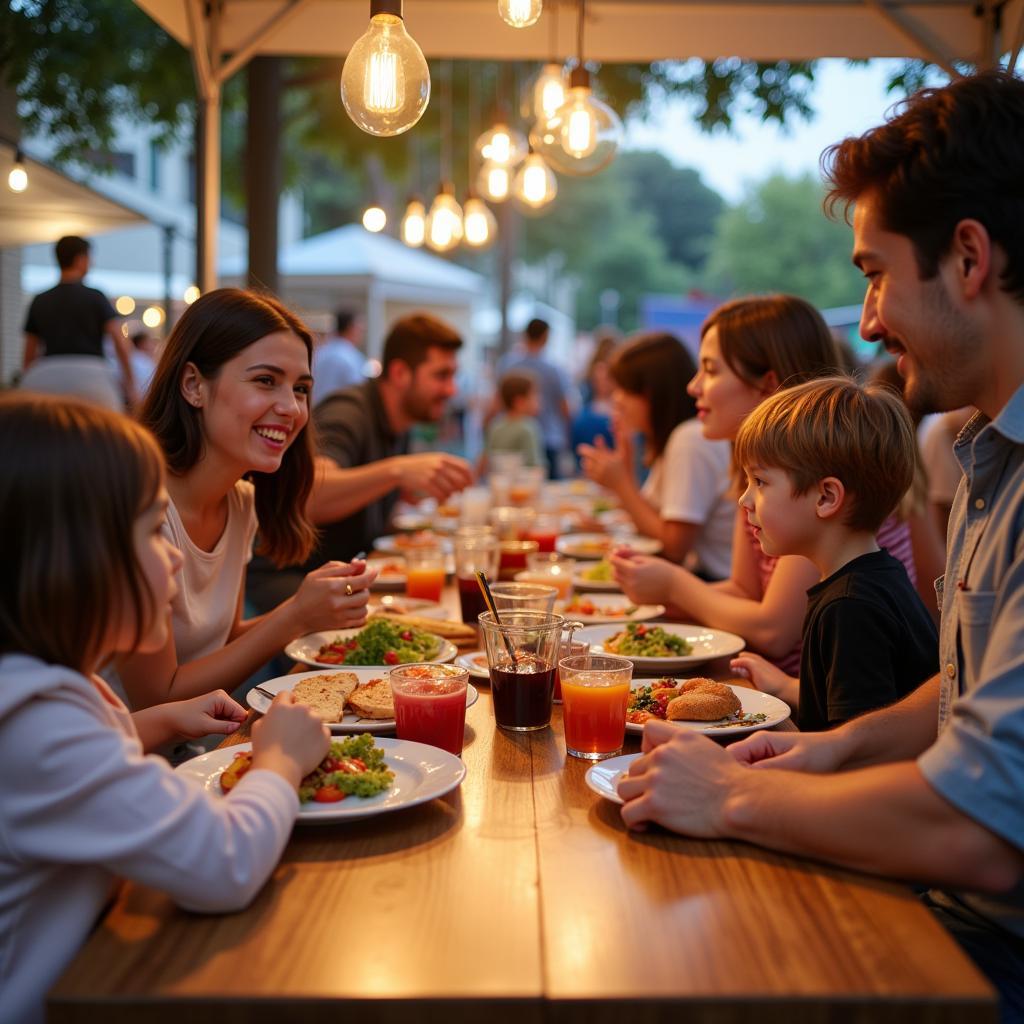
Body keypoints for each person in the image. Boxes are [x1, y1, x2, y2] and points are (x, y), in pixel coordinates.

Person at [616, 71, 1024, 1019]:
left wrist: (730, 799)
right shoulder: (983, 455)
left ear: (969, 257)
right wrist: (831, 752)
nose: (870, 320)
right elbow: (968, 692)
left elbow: (982, 830)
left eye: (874, 272)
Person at [0, 392, 331, 1024]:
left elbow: (73, 764)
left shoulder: (41, 689)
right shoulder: (37, 724)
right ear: (73, 557)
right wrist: (282, 761)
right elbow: (225, 864)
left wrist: (150, 723)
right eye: (153, 529)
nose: (175, 553)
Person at [613, 296, 915, 675]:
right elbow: (744, 590)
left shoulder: (807, 496)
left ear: (768, 384)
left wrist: (674, 585)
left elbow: (773, 629)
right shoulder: (760, 481)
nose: (694, 386)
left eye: (711, 370)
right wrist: (648, 601)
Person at [117, 288, 375, 709]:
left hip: (198, 747)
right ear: (193, 385)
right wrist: (295, 615)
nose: (291, 408)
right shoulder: (136, 508)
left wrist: (312, 609)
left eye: (301, 389)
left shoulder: (239, 502)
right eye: (265, 381)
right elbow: (156, 697)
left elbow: (223, 638)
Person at [729, 376, 937, 730]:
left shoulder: (850, 608)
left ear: (826, 498)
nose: (744, 500)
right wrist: (786, 687)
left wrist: (768, 728)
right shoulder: (875, 575)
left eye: (760, 482)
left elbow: (851, 751)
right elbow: (851, 698)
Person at [246, 313, 474, 612]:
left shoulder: (398, 422)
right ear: (400, 372)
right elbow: (309, 493)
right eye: (441, 375)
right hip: (287, 579)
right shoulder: (349, 412)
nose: (451, 389)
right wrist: (397, 471)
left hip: (349, 577)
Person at [577, 331, 733, 579]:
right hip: (697, 579)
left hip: (709, 580)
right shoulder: (675, 437)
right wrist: (625, 463)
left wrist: (621, 485)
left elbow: (674, 548)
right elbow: (654, 516)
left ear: (652, 393)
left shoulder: (690, 439)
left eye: (624, 390)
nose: (616, 400)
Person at [21, 235, 136, 410]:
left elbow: (29, 354)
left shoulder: (40, 300)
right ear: (81, 259)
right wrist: (130, 384)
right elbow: (120, 341)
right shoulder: (96, 297)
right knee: (108, 432)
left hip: (46, 376)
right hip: (91, 375)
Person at [497, 317, 571, 479]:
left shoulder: (508, 364)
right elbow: (565, 407)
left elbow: (496, 401)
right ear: (546, 337)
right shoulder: (554, 369)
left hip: (509, 443)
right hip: (549, 438)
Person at [484, 371, 544, 471]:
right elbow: (534, 466)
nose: (539, 400)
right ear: (519, 402)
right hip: (525, 484)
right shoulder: (527, 428)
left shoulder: (495, 426)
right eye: (534, 395)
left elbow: (487, 458)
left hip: (500, 482)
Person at [311, 309, 366, 406]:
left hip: (317, 411)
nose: (362, 331)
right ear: (351, 328)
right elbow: (359, 392)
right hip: (340, 413)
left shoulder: (321, 352)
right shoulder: (351, 358)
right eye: (360, 327)